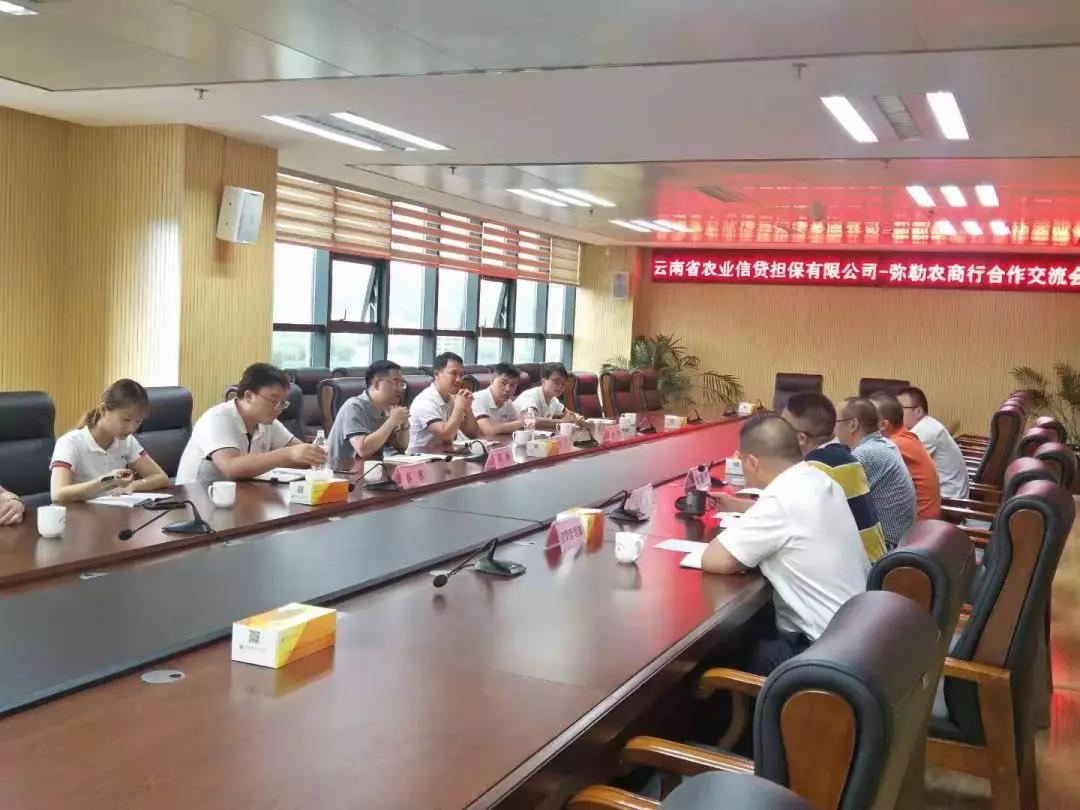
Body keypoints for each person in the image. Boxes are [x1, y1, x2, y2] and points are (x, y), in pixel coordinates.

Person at [702, 415, 869, 674]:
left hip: (819, 655)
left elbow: (714, 560)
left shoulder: (780, 500)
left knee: (718, 651)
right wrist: (743, 509)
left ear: (752, 462)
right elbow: (793, 518)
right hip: (858, 638)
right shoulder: (819, 480)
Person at [176, 363, 326, 485]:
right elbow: (231, 467)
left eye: (282, 403)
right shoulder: (217, 418)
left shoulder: (267, 422)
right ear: (248, 396)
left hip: (242, 497)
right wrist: (289, 454)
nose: (278, 409)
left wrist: (312, 455)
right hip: (196, 501)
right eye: (273, 401)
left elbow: (301, 454)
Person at [780, 391, 887, 562]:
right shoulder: (840, 456)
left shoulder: (818, 468)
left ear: (801, 438)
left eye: (782, 429)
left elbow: (782, 521)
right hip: (872, 562)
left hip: (860, 570)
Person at [50, 379, 171, 503]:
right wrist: (107, 480)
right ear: (103, 410)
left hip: (114, 511)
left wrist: (133, 485)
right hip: (80, 513)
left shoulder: (127, 441)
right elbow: (57, 494)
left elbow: (161, 477)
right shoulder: (69, 443)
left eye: (138, 422)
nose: (131, 428)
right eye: (126, 419)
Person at [836, 397, 918, 550]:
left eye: (836, 422)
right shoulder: (885, 443)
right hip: (904, 540)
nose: (834, 430)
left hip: (888, 548)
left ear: (853, 425)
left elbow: (833, 500)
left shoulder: (864, 455)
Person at [326, 360, 410, 471]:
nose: (400, 389)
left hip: (371, 471)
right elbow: (363, 450)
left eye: (402, 384)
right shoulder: (355, 406)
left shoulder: (387, 408)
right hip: (341, 474)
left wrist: (404, 425)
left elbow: (401, 447)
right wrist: (391, 422)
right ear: (376, 384)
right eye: (395, 382)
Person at [869, 391, 942, 520]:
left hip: (918, 525)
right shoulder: (906, 437)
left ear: (883, 425)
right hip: (922, 520)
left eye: (866, 418)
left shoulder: (894, 445)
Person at [896, 386, 970, 499]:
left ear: (918, 411)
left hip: (948, 500)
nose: (895, 414)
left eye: (899, 409)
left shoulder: (925, 431)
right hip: (942, 494)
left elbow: (896, 466)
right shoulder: (927, 425)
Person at [407, 352, 480, 454]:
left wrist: (467, 407)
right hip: (418, 457)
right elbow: (446, 436)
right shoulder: (425, 401)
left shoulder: (451, 398)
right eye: (453, 374)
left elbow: (473, 434)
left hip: (442, 455)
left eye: (461, 375)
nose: (459, 380)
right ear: (437, 374)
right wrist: (459, 406)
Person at [513, 363, 586, 424]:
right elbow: (529, 420)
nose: (560, 386)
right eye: (556, 381)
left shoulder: (554, 400)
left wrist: (577, 418)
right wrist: (562, 421)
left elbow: (567, 413)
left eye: (563, 383)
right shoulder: (531, 396)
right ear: (543, 381)